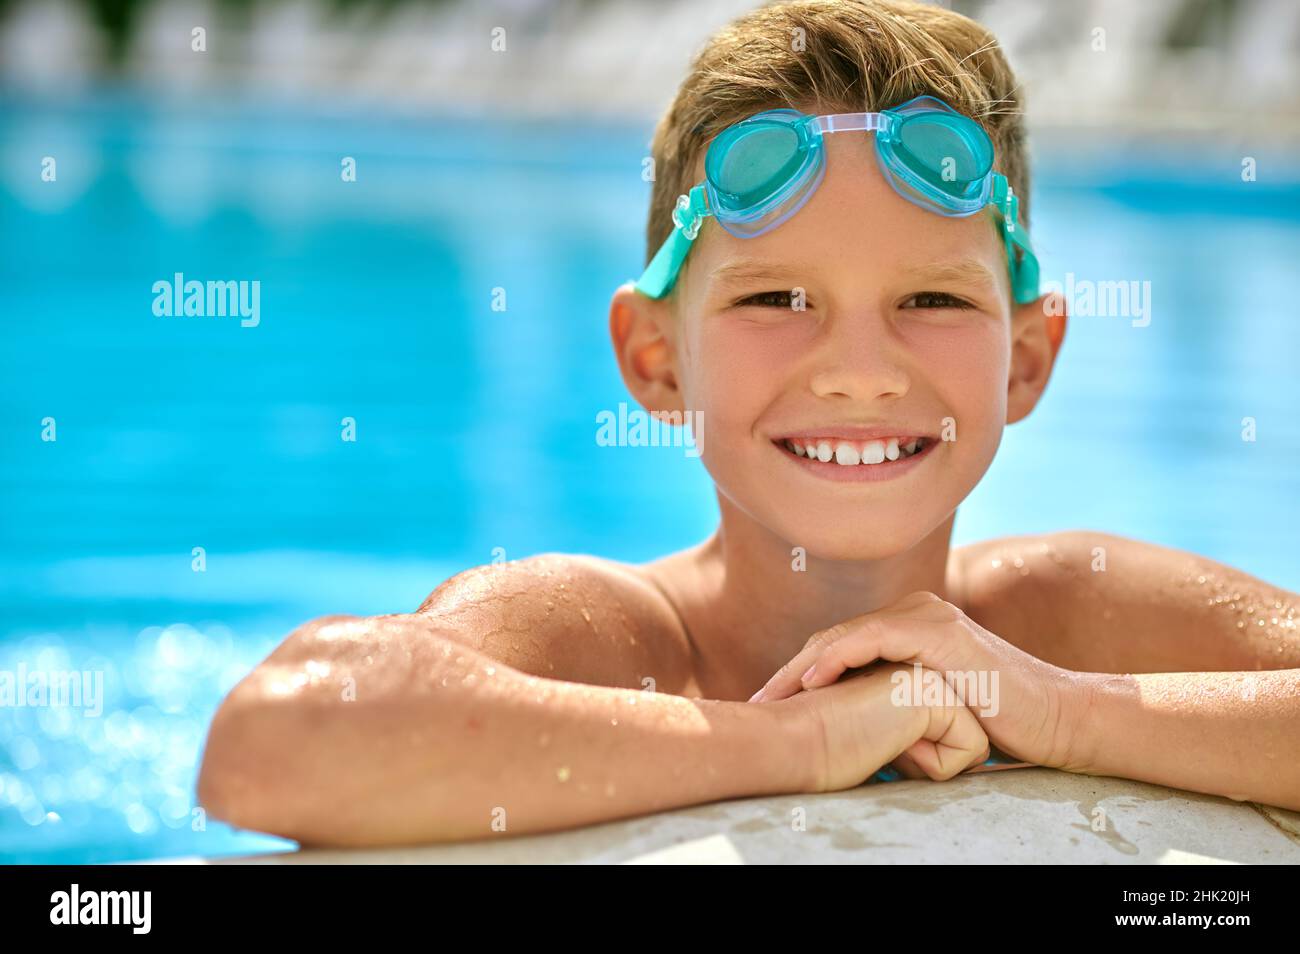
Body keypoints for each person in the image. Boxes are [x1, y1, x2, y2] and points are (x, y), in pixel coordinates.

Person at [196, 0, 1300, 847]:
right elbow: (275, 743)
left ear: (1025, 361)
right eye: (775, 299)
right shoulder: (609, 641)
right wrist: (799, 743)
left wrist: (1063, 712)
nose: (859, 375)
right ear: (654, 358)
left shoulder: (1065, 618)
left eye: (932, 299)